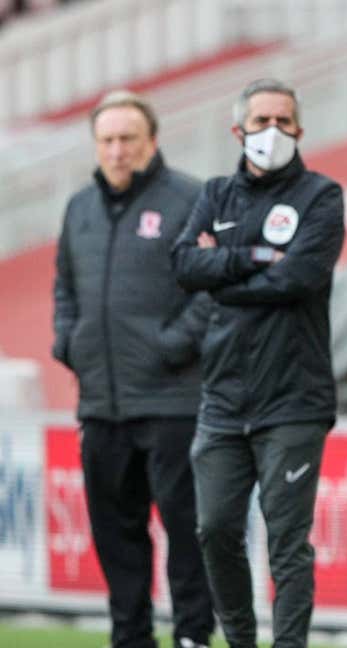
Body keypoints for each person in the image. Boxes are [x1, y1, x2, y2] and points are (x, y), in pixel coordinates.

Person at [171, 78, 344, 648]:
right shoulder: (217, 192)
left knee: (287, 541)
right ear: (237, 130)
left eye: (283, 120)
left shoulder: (319, 195)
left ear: (299, 127)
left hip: (292, 400)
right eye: (261, 120)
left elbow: (299, 277)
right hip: (222, 400)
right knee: (214, 529)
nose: (272, 131)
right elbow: (182, 264)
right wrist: (251, 259)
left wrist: (222, 271)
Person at [52, 90, 214, 648]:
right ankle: (130, 639)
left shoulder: (189, 199)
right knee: (115, 537)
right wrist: (68, 343)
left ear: (151, 141)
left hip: (173, 404)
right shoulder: (78, 208)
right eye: (107, 140)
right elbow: (65, 288)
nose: (117, 151)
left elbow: (211, 290)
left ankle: (192, 636)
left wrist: (173, 344)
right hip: (101, 405)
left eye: (127, 139)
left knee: (187, 535)